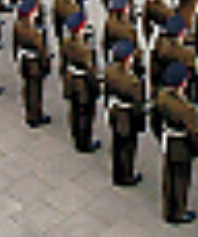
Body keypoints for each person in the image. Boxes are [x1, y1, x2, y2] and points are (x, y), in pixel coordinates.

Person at [155, 62, 198, 225]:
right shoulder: (186, 109)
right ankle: (179, 211)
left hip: (168, 140)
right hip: (181, 146)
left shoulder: (161, 97)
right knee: (181, 180)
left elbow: (155, 119)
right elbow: (193, 133)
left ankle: (168, 209)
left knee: (169, 177)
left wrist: (160, 135)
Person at [104, 39, 145, 186]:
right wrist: (141, 123)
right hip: (127, 116)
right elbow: (138, 105)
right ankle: (126, 175)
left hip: (115, 110)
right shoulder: (132, 81)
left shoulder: (110, 70)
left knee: (117, 143)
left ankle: (117, 173)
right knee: (127, 147)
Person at [61, 12, 101, 153]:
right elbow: (90, 71)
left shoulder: (66, 42)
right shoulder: (84, 50)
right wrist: (96, 88)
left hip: (71, 80)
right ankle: (84, 142)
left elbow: (63, 63)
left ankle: (76, 135)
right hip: (83, 84)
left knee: (75, 111)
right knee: (86, 114)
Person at [13, 0, 51, 128]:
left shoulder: (18, 25)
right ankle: (35, 116)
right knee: (35, 90)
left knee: (28, 88)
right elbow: (41, 50)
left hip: (24, 60)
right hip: (34, 64)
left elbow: (15, 44)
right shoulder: (34, 32)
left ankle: (30, 112)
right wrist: (46, 64)